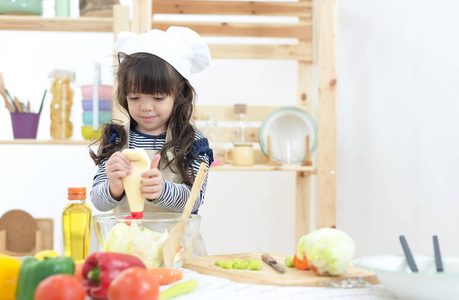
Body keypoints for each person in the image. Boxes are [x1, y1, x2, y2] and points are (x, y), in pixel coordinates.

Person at [89, 27, 213, 255]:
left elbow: (195, 200)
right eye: (135, 97)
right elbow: (99, 200)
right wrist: (114, 187)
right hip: (127, 252)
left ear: (180, 93)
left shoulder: (193, 142)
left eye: (157, 97)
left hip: (177, 252)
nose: (145, 107)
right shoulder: (117, 139)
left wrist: (162, 190)